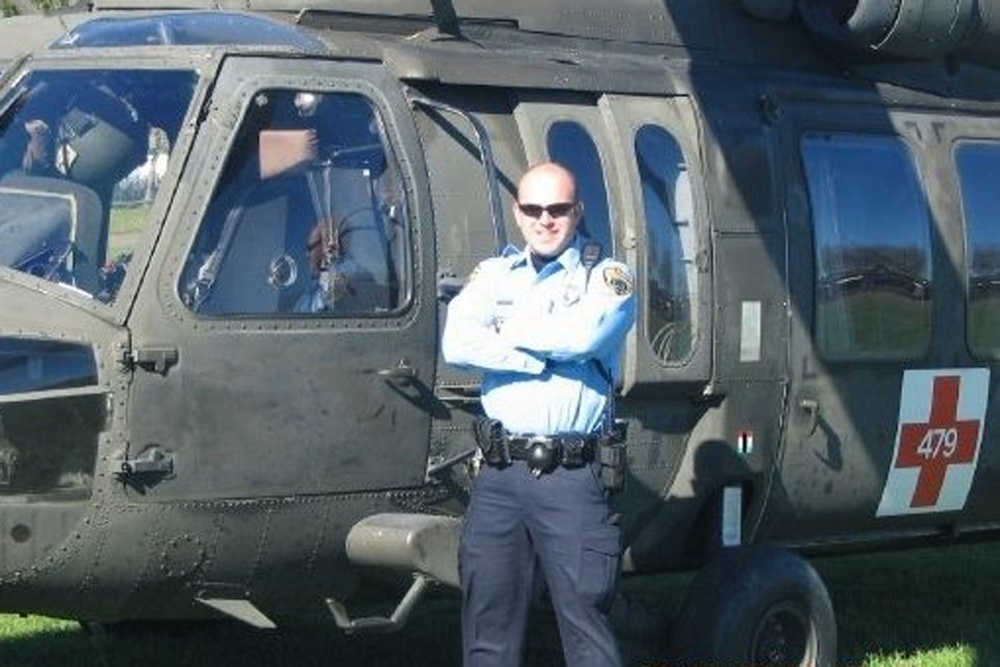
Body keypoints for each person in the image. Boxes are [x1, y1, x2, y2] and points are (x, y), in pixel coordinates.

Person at [442, 161, 636, 667]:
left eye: (557, 209)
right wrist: (538, 350)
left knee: (586, 629)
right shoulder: (494, 273)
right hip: (499, 477)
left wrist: (503, 331)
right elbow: (457, 343)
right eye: (533, 209)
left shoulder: (608, 276)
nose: (544, 219)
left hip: (571, 478)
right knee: (487, 629)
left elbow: (585, 337)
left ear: (578, 212)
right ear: (517, 212)